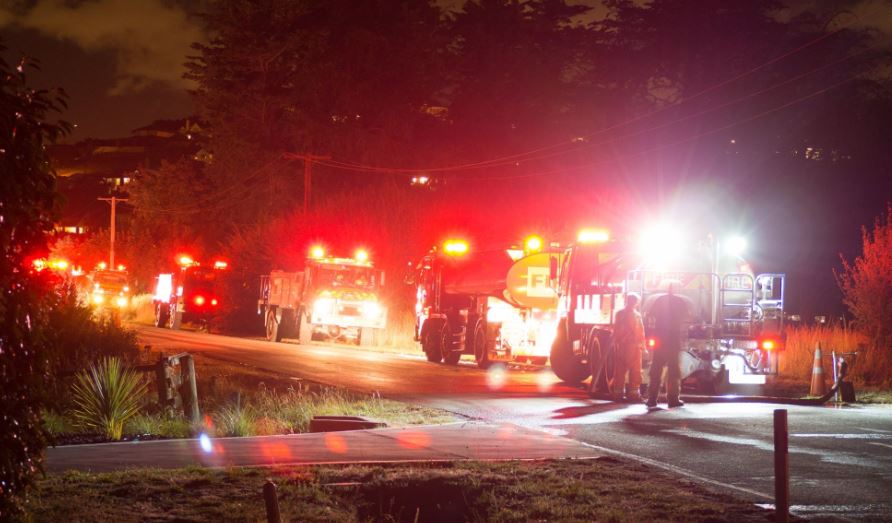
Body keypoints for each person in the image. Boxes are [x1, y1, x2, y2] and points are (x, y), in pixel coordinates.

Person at [646, 281, 689, 408]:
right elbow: (686, 317)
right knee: (674, 370)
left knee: (656, 369)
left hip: (660, 338)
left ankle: (652, 399)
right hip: (673, 339)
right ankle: (673, 399)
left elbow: (651, 315)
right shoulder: (680, 302)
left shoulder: (659, 300)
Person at [611, 293, 645, 401]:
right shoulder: (636, 315)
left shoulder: (619, 314)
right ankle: (633, 394)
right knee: (635, 370)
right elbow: (640, 332)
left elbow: (615, 330)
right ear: (635, 302)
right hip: (633, 347)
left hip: (621, 346)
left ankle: (618, 393)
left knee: (620, 370)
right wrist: (643, 346)